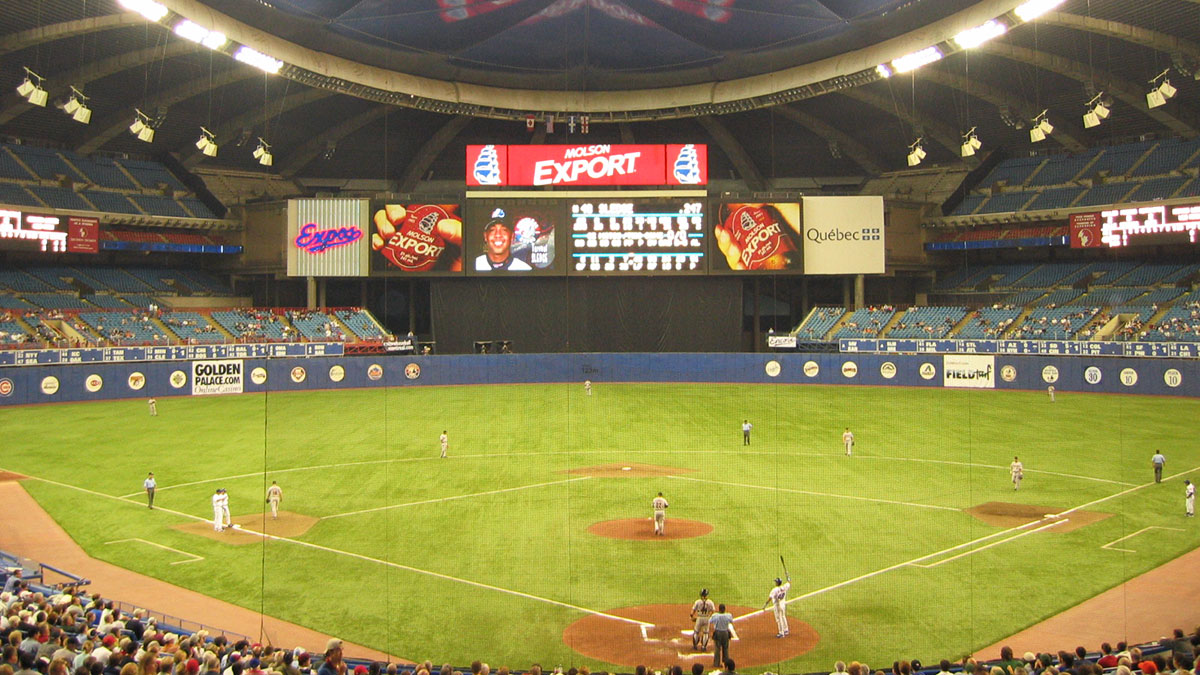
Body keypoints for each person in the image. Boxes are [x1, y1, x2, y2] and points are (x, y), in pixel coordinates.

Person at [708, 603, 734, 668]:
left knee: (717, 648)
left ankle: (716, 664)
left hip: (718, 632)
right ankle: (726, 663)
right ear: (724, 609)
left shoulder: (715, 615)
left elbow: (710, 621)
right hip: (725, 632)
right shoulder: (728, 615)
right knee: (725, 648)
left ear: (719, 609)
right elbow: (731, 621)